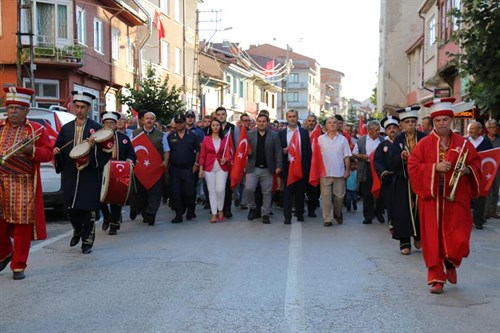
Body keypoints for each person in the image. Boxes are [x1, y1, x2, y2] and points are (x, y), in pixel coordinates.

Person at [408, 97, 481, 294]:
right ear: (433, 122)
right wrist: (434, 168)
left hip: (456, 197)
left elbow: (477, 164)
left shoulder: (463, 144)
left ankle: (451, 262)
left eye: (445, 120)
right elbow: (413, 167)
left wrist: (467, 170)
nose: (442, 124)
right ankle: (436, 278)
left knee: (459, 237)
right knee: (432, 239)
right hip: (432, 197)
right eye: (438, 121)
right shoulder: (423, 144)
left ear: (452, 121)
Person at [0, 87, 52, 280]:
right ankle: (5, 253)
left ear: (26, 111)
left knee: (22, 224)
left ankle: (18, 265)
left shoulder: (36, 130)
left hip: (23, 183)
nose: (12, 112)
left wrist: (32, 150)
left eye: (17, 108)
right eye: (10, 107)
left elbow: (48, 152)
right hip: (0, 181)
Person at [54, 91, 104, 254]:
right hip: (70, 173)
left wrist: (93, 147)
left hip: (88, 174)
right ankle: (77, 230)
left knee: (87, 208)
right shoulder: (66, 128)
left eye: (83, 107)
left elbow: (105, 153)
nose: (79, 110)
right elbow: (59, 145)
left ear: (88, 108)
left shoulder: (96, 129)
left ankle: (87, 241)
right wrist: (56, 151)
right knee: (70, 209)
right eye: (77, 107)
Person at [390, 106, 427, 255]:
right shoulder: (398, 140)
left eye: (413, 121)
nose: (410, 124)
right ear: (402, 125)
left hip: (421, 179)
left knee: (421, 210)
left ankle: (419, 236)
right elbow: (391, 161)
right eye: (407, 122)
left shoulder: (424, 138)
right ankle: (404, 242)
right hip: (403, 181)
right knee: (404, 211)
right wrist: (401, 157)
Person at [129, 111, 170, 225]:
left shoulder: (162, 135)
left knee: (155, 192)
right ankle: (144, 212)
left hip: (156, 169)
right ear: (143, 120)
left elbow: (166, 150)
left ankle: (151, 214)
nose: (149, 120)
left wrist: (165, 161)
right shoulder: (135, 133)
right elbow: (130, 149)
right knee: (141, 194)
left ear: (154, 121)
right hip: (140, 169)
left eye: (152, 118)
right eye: (147, 118)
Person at [99, 112, 136, 235]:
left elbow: (131, 153)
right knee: (100, 198)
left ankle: (114, 224)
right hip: (101, 172)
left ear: (116, 124)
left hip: (118, 172)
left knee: (116, 198)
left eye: (112, 123)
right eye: (107, 123)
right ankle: (106, 217)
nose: (109, 125)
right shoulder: (98, 137)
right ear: (103, 124)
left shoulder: (123, 138)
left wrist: (130, 159)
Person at [245, 113, 283, 224]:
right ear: (256, 122)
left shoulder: (274, 135)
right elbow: (243, 149)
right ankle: (252, 208)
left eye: (264, 121)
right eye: (259, 121)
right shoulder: (249, 134)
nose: (261, 123)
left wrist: (279, 166)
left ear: (267, 123)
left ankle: (265, 213)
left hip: (268, 169)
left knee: (266, 192)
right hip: (252, 168)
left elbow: (278, 151)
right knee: (249, 189)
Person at [279, 109, 312, 224]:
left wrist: (307, 168)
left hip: (301, 166)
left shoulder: (303, 132)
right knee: (287, 193)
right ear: (286, 118)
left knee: (300, 192)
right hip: (287, 166)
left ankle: (300, 213)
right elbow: (277, 152)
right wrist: (282, 151)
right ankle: (287, 216)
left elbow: (308, 151)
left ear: (297, 118)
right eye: (290, 116)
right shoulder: (281, 133)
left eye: (294, 116)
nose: (292, 118)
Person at [318, 117, 352, 226]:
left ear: (338, 125)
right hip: (324, 173)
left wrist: (347, 170)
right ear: (326, 125)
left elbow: (347, 156)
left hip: (339, 173)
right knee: (326, 197)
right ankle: (327, 218)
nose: (332, 125)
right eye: (329, 123)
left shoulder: (343, 139)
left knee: (339, 197)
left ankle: (338, 213)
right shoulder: (320, 139)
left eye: (334, 123)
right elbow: (316, 157)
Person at [168, 113, 200, 223]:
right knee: (176, 192)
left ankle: (191, 209)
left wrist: (196, 164)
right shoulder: (170, 136)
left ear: (185, 123)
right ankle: (178, 214)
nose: (179, 124)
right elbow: (167, 152)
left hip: (189, 169)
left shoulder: (192, 135)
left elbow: (198, 151)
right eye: (177, 122)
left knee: (189, 192)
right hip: (175, 169)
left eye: (181, 122)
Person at [352, 120, 384, 224]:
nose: (378, 132)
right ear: (369, 131)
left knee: (379, 192)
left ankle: (379, 213)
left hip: (379, 169)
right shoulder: (361, 141)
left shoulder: (382, 141)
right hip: (367, 169)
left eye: (379, 130)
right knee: (367, 194)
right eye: (375, 130)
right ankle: (368, 216)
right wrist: (363, 156)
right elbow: (354, 154)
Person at [373, 115, 400, 235]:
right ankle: (392, 222)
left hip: (402, 178)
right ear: (386, 131)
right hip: (388, 178)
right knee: (390, 202)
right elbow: (377, 161)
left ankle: (401, 222)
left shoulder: (403, 143)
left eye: (394, 127)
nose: (392, 130)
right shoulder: (382, 145)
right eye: (389, 128)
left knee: (401, 202)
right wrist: (383, 172)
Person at [199, 119, 230, 223]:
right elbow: (202, 155)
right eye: (213, 125)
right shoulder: (206, 139)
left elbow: (229, 153)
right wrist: (201, 169)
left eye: (217, 125)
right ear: (210, 127)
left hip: (222, 168)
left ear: (220, 127)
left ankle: (220, 209)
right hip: (209, 168)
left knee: (220, 189)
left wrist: (226, 158)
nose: (215, 127)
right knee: (211, 191)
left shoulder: (225, 139)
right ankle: (214, 213)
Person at [467, 121, 492, 229]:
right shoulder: (465, 141)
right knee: (466, 197)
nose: (471, 131)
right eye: (470, 129)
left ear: (480, 130)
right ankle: (466, 220)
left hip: (481, 173)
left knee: (479, 197)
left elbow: (491, 156)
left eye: (474, 129)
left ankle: (478, 221)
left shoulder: (486, 142)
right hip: (467, 173)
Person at [214, 107, 238, 218]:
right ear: (216, 115)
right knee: (216, 188)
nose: (221, 116)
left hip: (229, 162)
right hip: (215, 161)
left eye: (223, 114)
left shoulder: (232, 128)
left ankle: (227, 209)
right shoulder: (213, 127)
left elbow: (237, 144)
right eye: (218, 114)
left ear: (226, 115)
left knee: (227, 188)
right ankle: (218, 209)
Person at [305, 114, 322, 217]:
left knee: (313, 191)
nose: (311, 122)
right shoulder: (301, 133)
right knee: (302, 190)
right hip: (303, 165)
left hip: (316, 167)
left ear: (315, 122)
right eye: (309, 121)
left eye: (313, 121)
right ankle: (300, 210)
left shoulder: (321, 135)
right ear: (306, 122)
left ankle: (312, 210)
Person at [484, 119, 500, 219]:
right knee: (486, 190)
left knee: (495, 190)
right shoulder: (483, 140)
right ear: (488, 129)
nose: (495, 129)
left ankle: (492, 211)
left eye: (495, 127)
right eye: (492, 127)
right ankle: (485, 211)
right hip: (487, 169)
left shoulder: (499, 139)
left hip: (498, 169)